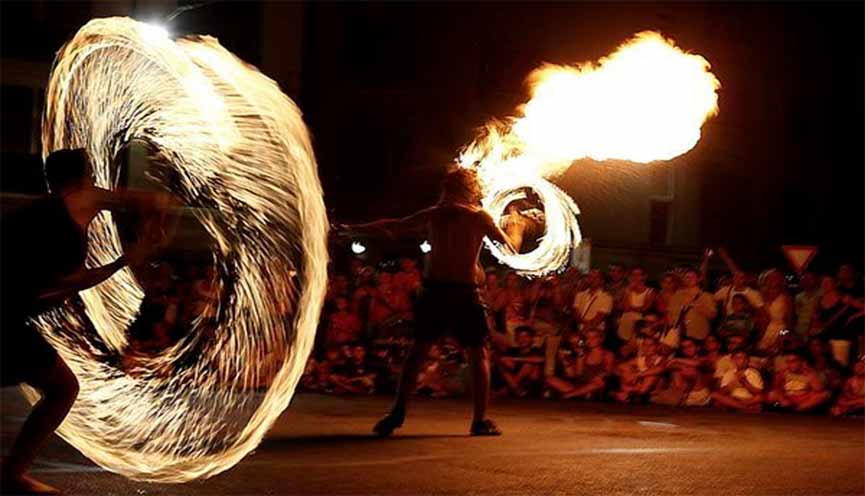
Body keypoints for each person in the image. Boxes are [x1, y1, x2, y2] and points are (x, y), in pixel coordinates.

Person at [1, 148, 173, 494]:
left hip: (9, 314)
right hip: (4, 317)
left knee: (59, 386)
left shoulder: (42, 213)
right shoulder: (79, 199)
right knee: (64, 388)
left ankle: (11, 475)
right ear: (83, 178)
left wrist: (136, 247)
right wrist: (140, 248)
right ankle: (11, 476)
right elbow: (157, 200)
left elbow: (60, 284)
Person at [340, 167, 515, 436]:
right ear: (470, 189)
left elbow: (393, 225)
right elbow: (511, 249)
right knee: (477, 354)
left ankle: (397, 414)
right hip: (462, 292)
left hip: (437, 291)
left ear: (449, 188)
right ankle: (480, 420)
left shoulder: (435, 214)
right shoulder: (477, 216)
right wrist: (518, 226)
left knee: (418, 353)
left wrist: (354, 229)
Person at [546, 329, 614, 400]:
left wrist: (597, 377)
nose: (591, 339)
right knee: (550, 379)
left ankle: (570, 395)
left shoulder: (607, 354)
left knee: (599, 382)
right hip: (582, 385)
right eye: (588, 337)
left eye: (594, 337)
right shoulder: (582, 353)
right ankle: (581, 394)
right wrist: (567, 360)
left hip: (596, 384)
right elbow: (578, 374)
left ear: (600, 339)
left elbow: (608, 371)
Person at [767, 351, 831, 412]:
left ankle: (798, 410)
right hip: (788, 399)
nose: (790, 364)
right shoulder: (783, 373)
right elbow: (776, 388)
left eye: (793, 361)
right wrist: (782, 399)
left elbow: (818, 389)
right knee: (772, 394)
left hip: (804, 401)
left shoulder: (809, 373)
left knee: (825, 394)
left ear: (801, 362)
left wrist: (809, 373)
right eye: (788, 362)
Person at [666, 268, 717, 344]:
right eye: (687, 277)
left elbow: (713, 315)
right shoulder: (678, 295)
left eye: (692, 277)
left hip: (698, 333)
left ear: (698, 279)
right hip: (679, 334)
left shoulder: (707, 296)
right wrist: (672, 327)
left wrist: (699, 307)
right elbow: (670, 312)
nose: (689, 279)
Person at [494, 326, 545, 397]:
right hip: (514, 382)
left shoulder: (536, 350)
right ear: (516, 339)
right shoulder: (512, 350)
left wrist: (514, 359)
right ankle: (516, 389)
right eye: (519, 337)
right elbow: (503, 359)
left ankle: (511, 388)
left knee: (530, 363)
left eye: (525, 337)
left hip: (530, 382)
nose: (523, 339)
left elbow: (540, 359)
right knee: (501, 363)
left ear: (531, 339)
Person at [616, 266, 656, 344]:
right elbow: (625, 307)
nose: (635, 277)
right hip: (626, 320)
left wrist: (632, 308)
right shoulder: (628, 290)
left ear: (644, 276)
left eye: (638, 275)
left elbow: (645, 309)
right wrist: (628, 291)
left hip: (639, 323)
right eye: (633, 275)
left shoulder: (650, 291)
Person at [793, 272, 820, 337]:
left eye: (810, 279)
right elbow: (796, 314)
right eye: (805, 280)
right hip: (800, 328)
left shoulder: (820, 295)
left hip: (815, 328)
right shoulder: (798, 297)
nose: (807, 282)